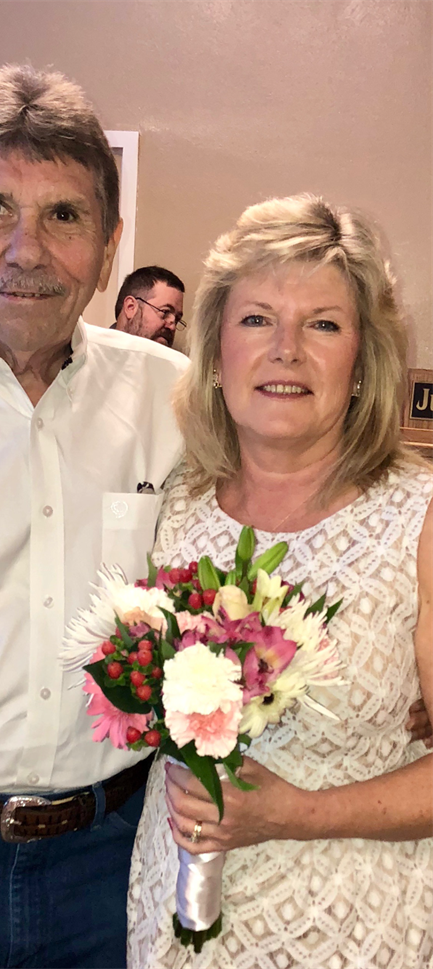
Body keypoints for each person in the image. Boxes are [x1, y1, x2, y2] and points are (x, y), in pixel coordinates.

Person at [0, 65, 188, 969]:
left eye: (64, 216)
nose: (26, 249)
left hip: (118, 849)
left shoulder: (174, 399)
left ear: (108, 244)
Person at [127, 195, 433, 969]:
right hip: (172, 916)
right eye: (257, 319)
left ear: (364, 362)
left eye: (323, 324)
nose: (285, 350)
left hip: (350, 925)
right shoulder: (174, 503)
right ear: (216, 346)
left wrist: (299, 812)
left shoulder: (417, 518)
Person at [113, 265, 186, 347]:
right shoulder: (97, 354)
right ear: (131, 307)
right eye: (165, 312)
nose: (172, 327)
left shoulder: (175, 359)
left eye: (177, 319)